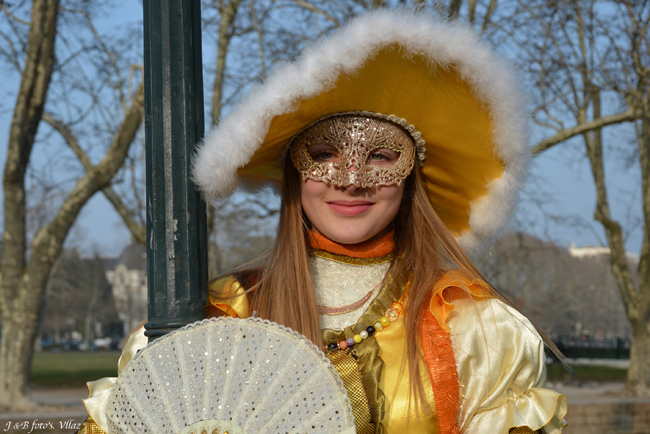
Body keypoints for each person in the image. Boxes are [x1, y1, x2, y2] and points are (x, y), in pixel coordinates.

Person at [79, 9, 567, 434]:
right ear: (294, 171)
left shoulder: (476, 330)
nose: (351, 180)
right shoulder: (217, 319)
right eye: (324, 155)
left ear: (410, 175)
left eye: (380, 156)